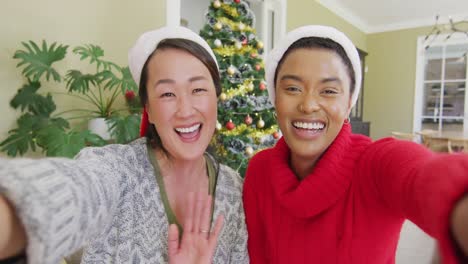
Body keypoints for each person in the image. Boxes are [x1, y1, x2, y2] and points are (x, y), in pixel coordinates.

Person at [0, 26, 249, 263]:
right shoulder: (116, 170)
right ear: (148, 110)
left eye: (198, 89)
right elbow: (77, 189)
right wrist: (14, 207)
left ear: (216, 97)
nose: (185, 110)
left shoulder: (235, 192)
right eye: (167, 94)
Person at [243, 25, 468, 263]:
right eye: (292, 89)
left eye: (328, 91)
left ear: (349, 102)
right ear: (274, 97)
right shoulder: (260, 170)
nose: (308, 105)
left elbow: (421, 175)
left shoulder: (375, 164)